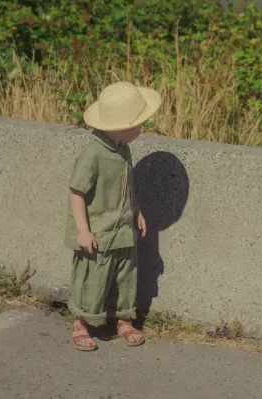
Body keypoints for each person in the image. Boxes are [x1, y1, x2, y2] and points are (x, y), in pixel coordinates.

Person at [65, 81, 161, 351]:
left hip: (123, 230)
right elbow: (76, 192)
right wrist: (83, 230)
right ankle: (81, 322)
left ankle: (123, 318)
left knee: (125, 276)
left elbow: (127, 185)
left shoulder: (123, 150)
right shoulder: (92, 155)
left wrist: (138, 210)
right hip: (99, 232)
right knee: (93, 277)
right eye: (138, 125)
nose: (141, 129)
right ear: (121, 127)